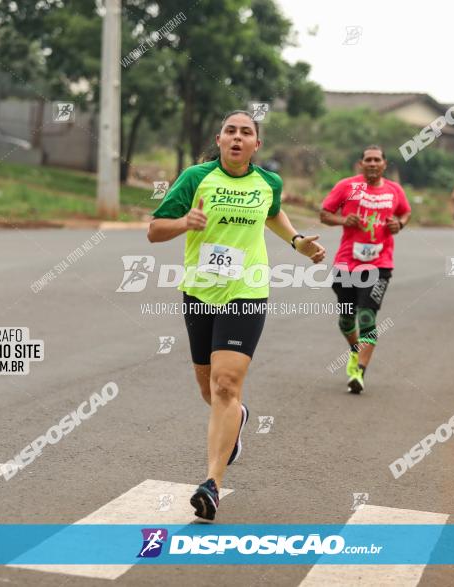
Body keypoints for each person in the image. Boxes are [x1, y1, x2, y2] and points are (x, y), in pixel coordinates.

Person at [147, 110, 325, 520]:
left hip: (247, 292)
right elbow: (155, 230)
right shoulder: (195, 178)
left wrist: (297, 240)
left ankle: (212, 483)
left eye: (247, 132)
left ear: (256, 145)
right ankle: (238, 419)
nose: (238, 137)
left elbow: (272, 212)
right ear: (220, 139)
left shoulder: (268, 183)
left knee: (226, 384)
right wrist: (184, 222)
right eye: (231, 131)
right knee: (210, 392)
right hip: (199, 292)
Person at [320, 145, 411, 394]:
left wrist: (399, 224)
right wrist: (342, 220)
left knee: (367, 317)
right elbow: (324, 213)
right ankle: (354, 349)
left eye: (377, 160)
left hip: (380, 265)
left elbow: (405, 212)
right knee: (347, 319)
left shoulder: (394, 190)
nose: (372, 163)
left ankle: (359, 370)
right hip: (347, 263)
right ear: (361, 163)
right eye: (368, 160)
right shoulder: (347, 186)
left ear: (384, 164)